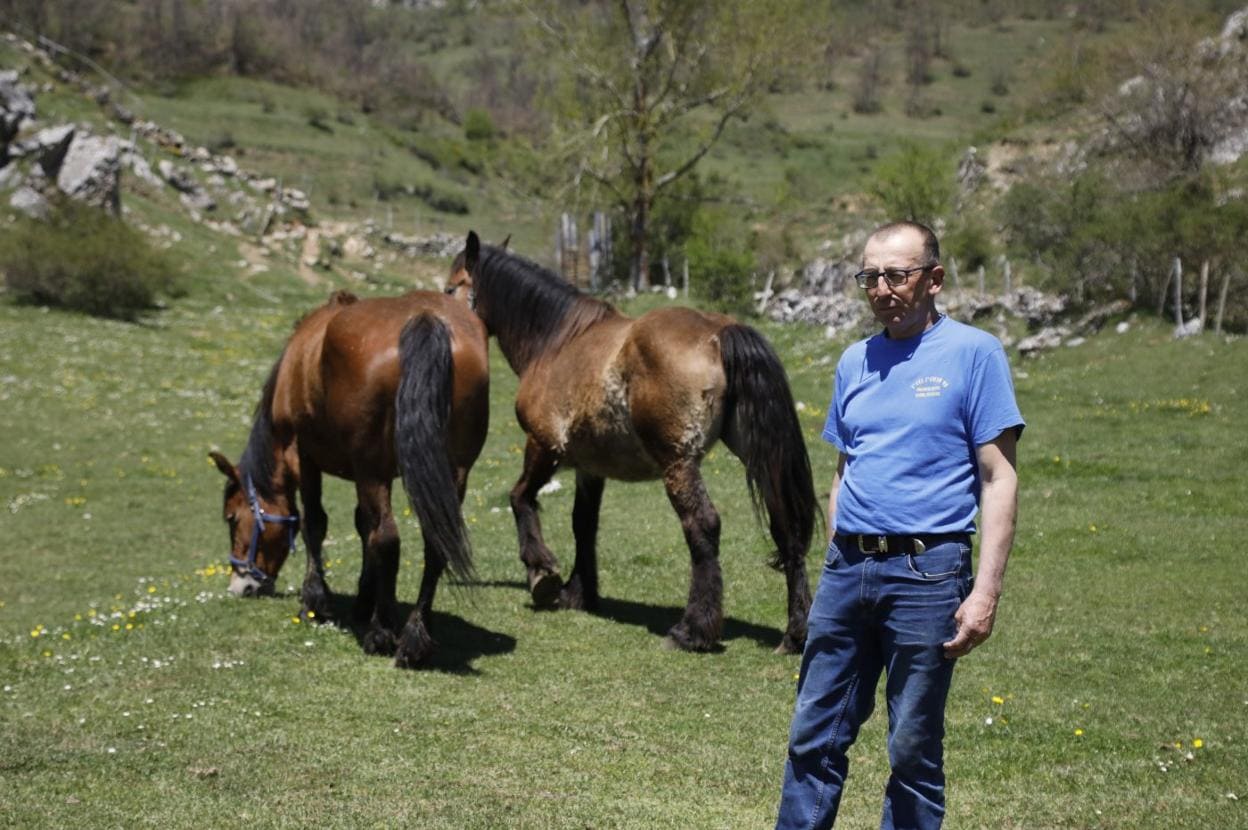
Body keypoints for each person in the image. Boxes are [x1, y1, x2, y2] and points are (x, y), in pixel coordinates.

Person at [775, 221, 1023, 830]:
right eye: (870, 277)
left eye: (897, 275)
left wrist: (984, 591)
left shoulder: (975, 353)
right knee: (814, 736)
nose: (881, 289)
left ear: (934, 279)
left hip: (927, 572)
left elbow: (999, 479)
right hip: (847, 571)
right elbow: (844, 469)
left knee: (911, 748)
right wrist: (837, 550)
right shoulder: (854, 359)